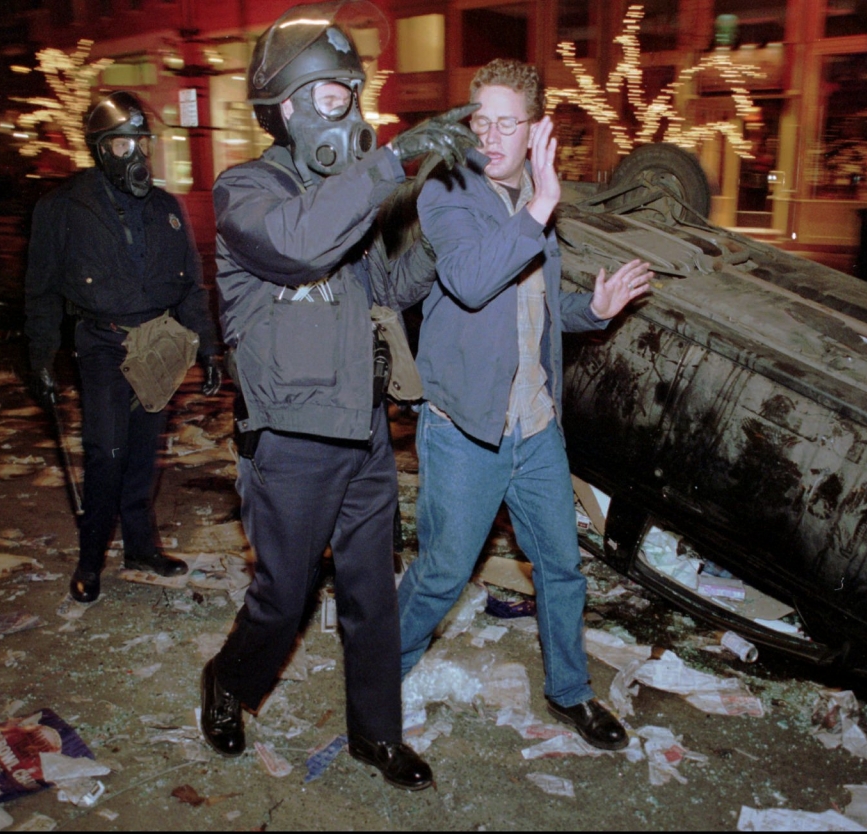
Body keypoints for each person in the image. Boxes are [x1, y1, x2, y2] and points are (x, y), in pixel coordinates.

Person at [198, 1, 479, 791]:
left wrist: (439, 223)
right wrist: (386, 167)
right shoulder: (247, 191)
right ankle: (230, 681)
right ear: (285, 106)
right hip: (289, 438)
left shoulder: (348, 201)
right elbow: (294, 246)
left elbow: (390, 284)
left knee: (371, 594)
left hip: (361, 429)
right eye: (332, 96)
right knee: (283, 596)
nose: (349, 111)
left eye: (354, 93)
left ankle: (375, 735)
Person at [398, 58, 653, 750]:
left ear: (536, 130)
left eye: (507, 122)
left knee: (563, 568)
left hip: (536, 426)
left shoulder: (533, 206)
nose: (490, 134)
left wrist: (593, 309)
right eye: (481, 119)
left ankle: (571, 692)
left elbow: (530, 308)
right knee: (444, 572)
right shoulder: (446, 193)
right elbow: (475, 280)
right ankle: (379, 675)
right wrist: (542, 203)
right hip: (466, 431)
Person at [24, 90, 222, 605]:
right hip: (103, 344)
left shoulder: (166, 208)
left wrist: (208, 350)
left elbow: (189, 289)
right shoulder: (62, 208)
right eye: (121, 144)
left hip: (157, 344)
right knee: (106, 453)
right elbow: (41, 292)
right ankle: (90, 560)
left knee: (142, 455)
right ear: (98, 149)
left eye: (141, 142)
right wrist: (41, 358)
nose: (135, 155)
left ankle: (140, 547)